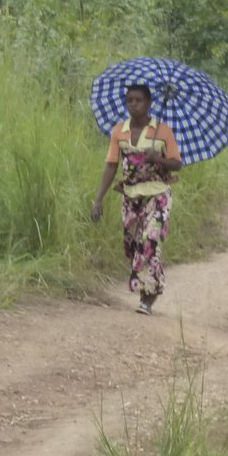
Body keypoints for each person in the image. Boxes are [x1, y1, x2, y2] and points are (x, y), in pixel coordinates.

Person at [92, 84, 184, 315]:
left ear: (150, 103)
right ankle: (149, 284)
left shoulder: (163, 132)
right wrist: (98, 199)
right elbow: (112, 165)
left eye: (139, 100)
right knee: (133, 247)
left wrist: (158, 159)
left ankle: (148, 295)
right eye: (130, 100)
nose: (133, 104)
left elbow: (177, 163)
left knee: (150, 240)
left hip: (158, 194)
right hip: (131, 196)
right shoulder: (119, 131)